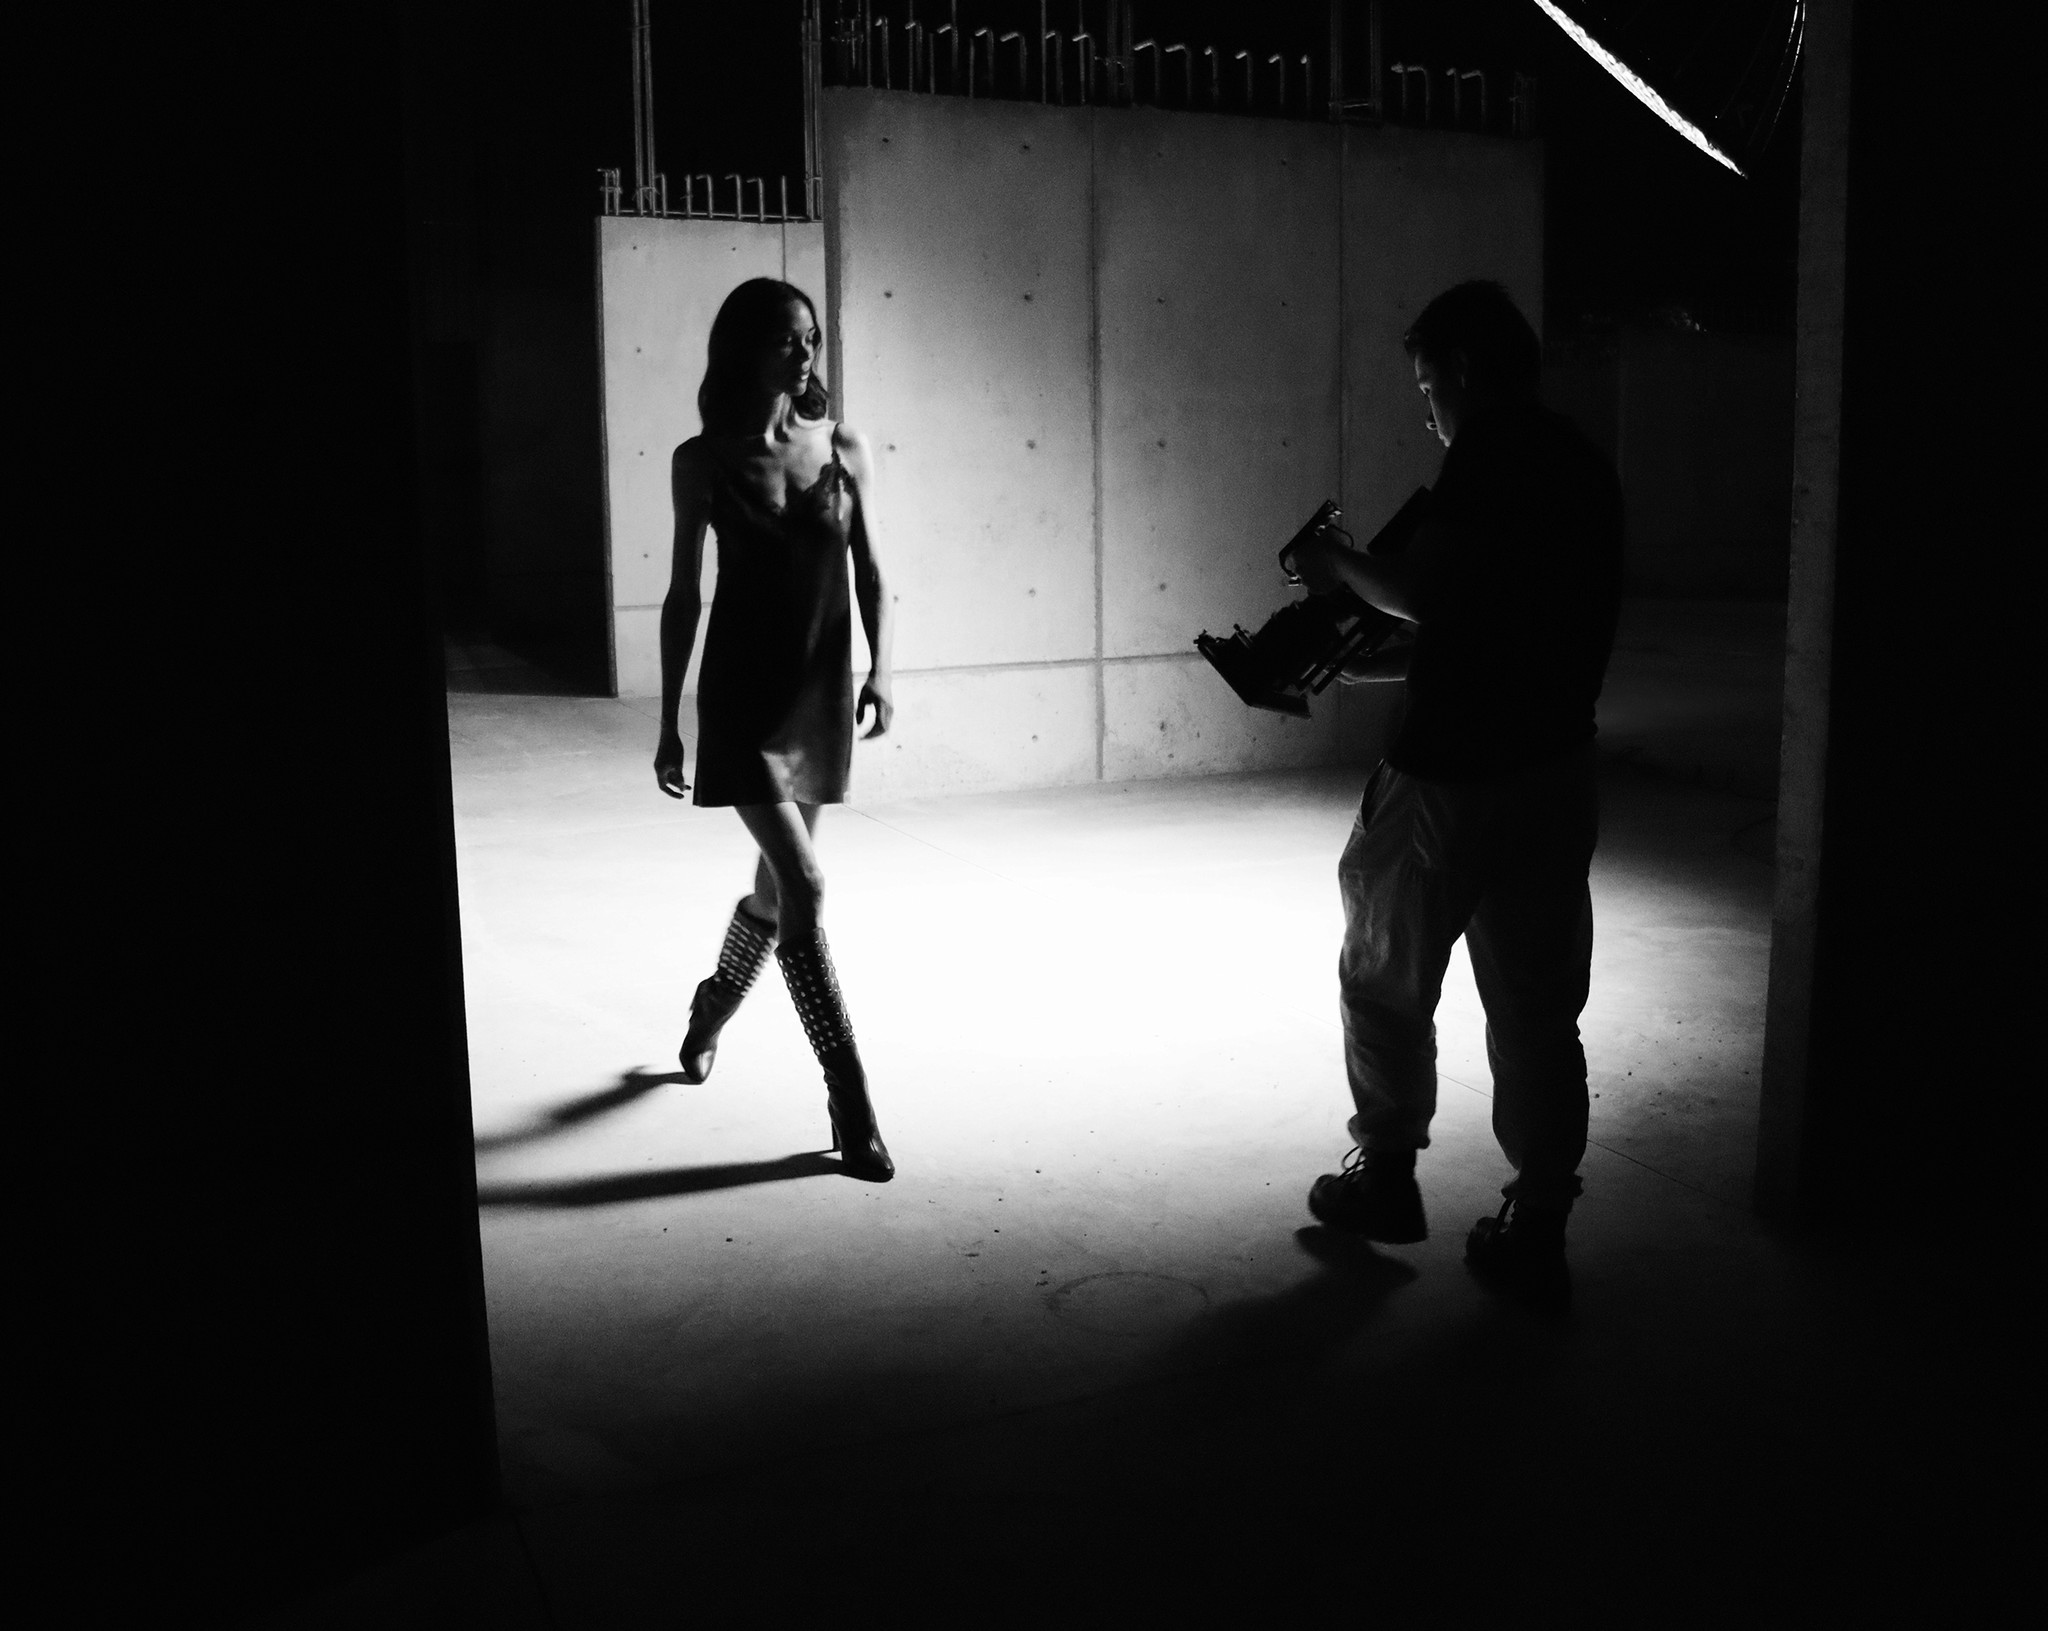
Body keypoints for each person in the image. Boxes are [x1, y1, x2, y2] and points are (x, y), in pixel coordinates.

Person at [1285, 280, 1622, 1303]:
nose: (1424, 409)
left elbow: (1430, 591)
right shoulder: (1580, 462)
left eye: (1429, 384)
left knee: (1384, 974)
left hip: (1448, 779)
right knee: (1533, 1004)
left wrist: (1334, 564)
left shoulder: (1490, 450)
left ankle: (1384, 1171)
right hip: (1553, 767)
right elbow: (1498, 616)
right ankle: (1536, 1212)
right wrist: (1378, 662)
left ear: (1467, 372)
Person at [652, 278, 897, 1181]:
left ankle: (714, 1000)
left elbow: (871, 568)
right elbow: (685, 594)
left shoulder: (843, 445)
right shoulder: (701, 459)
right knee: (808, 881)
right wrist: (670, 721)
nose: (806, 358)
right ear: (744, 350)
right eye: (789, 342)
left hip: (821, 693)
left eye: (813, 341)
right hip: (744, 701)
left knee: (777, 889)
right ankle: (851, 1096)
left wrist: (882, 670)